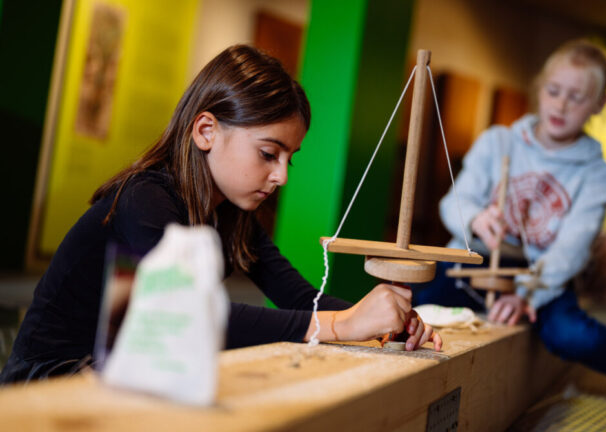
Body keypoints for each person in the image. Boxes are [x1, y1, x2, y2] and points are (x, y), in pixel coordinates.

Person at [1, 45, 441, 384]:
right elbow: (188, 313)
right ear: (206, 131)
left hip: (121, 370)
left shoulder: (232, 215)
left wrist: (388, 324)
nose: (282, 176)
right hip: (51, 380)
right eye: (269, 154)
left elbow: (298, 297)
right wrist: (343, 325)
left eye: (291, 158)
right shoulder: (144, 199)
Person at [414, 39, 606, 419]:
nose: (561, 104)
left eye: (577, 97)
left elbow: (572, 250)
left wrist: (528, 295)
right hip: (474, 261)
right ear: (539, 88)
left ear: (600, 105)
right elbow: (452, 203)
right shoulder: (498, 141)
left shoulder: (596, 173)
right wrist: (475, 218)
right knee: (416, 293)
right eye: (554, 91)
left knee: (570, 334)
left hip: (541, 276)